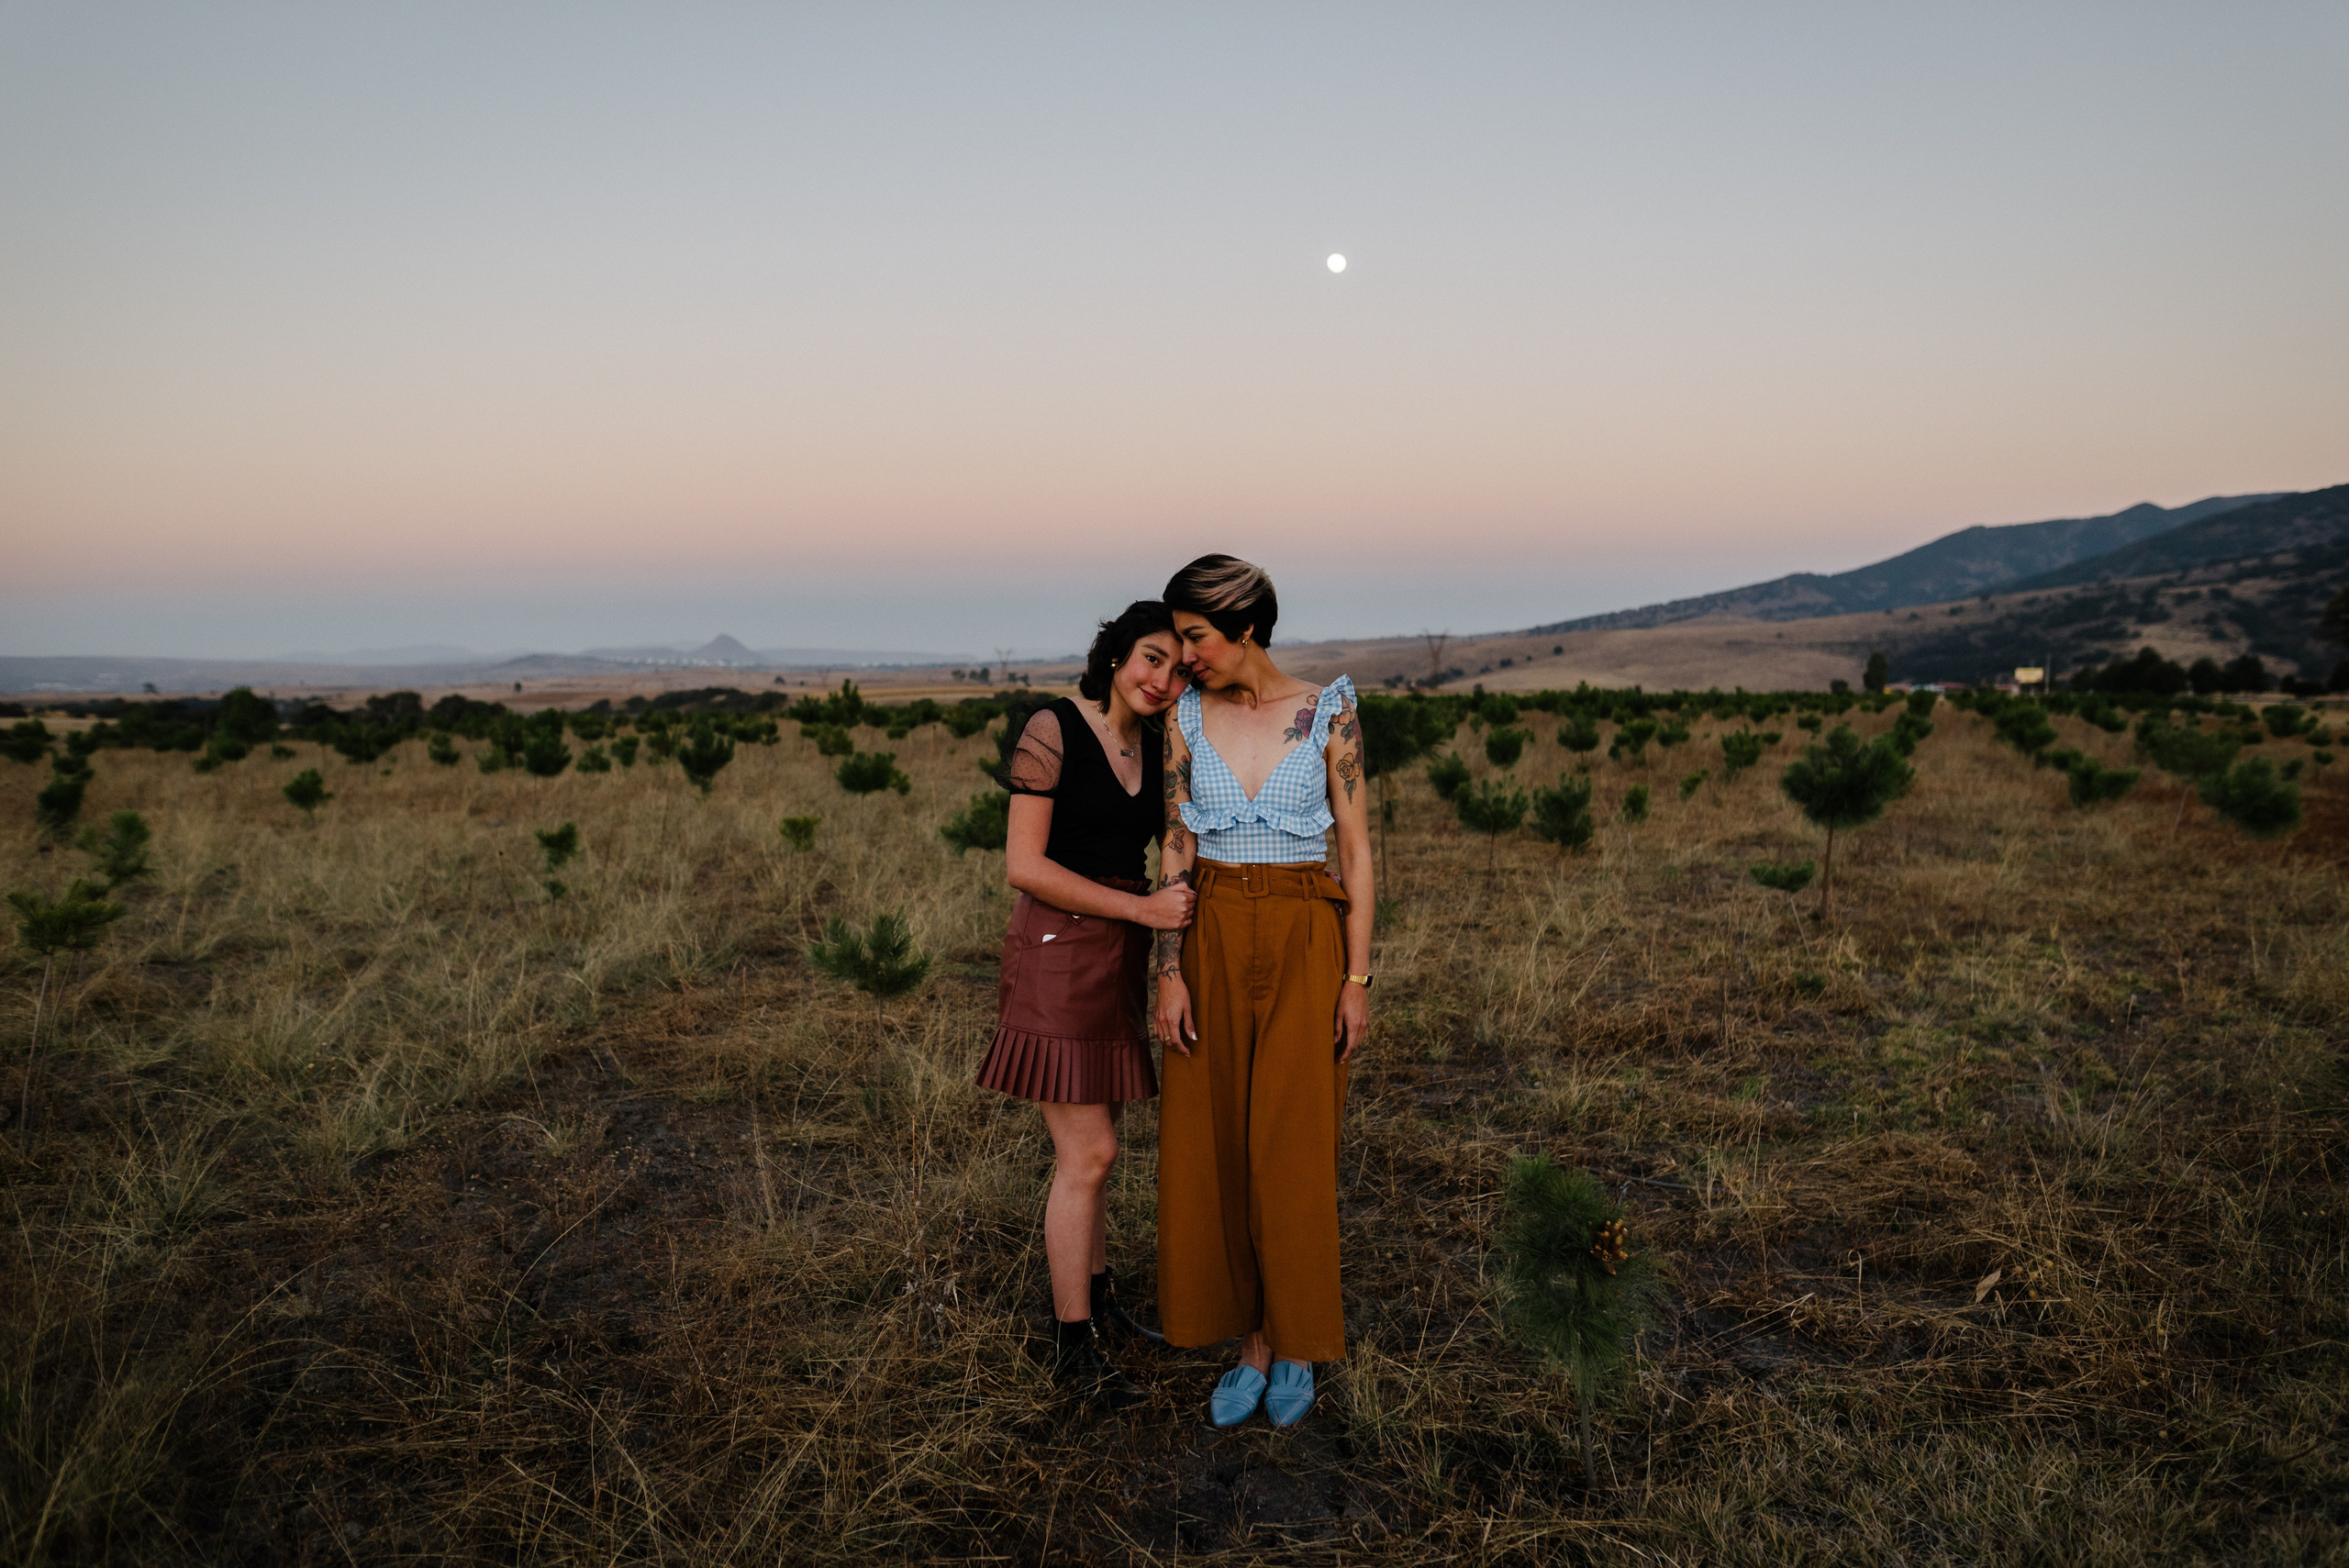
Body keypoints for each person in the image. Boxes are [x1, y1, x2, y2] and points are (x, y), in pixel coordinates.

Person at [1150, 554, 1373, 1429]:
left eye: (1195, 637)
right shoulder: (1186, 717)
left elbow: (1354, 852)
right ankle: (1247, 1337)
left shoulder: (1330, 712)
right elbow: (1174, 839)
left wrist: (1356, 979)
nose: (1185, 656)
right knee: (1214, 1140)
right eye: (1177, 640)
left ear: (1243, 625)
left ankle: (1293, 1340)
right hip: (1206, 931)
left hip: (1303, 932)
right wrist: (1167, 970)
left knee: (1292, 1136)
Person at [974, 600, 1196, 1407]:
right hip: (1058, 954)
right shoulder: (1054, 727)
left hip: (1116, 959)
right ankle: (1072, 1352)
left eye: (1176, 668)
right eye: (1149, 658)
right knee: (1090, 1155)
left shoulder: (1158, 743)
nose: (1160, 678)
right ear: (1113, 655)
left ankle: (1098, 1304)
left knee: (1098, 1153)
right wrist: (1142, 911)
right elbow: (1022, 863)